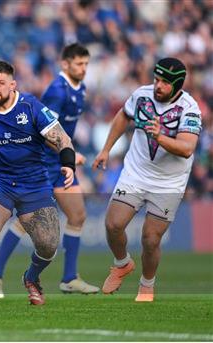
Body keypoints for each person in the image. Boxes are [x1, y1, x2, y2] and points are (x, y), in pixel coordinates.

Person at [0, 60, 76, 308]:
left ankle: (31, 277)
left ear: (12, 84)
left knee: (49, 245)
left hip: (35, 184)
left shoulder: (31, 108)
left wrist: (68, 163)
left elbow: (62, 138)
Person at [0, 43, 99, 298]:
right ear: (65, 64)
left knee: (77, 215)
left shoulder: (80, 89)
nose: (84, 69)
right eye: (79, 64)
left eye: (86, 64)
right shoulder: (57, 91)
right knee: (30, 221)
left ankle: (69, 277)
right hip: (46, 163)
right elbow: (46, 132)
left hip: (60, 163)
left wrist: (69, 153)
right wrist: (67, 153)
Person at [92, 57, 201, 302]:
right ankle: (122, 264)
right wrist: (106, 149)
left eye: (164, 82)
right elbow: (123, 116)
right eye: (156, 79)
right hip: (136, 173)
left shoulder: (190, 109)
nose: (157, 86)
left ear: (178, 85)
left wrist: (160, 137)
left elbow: (186, 148)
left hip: (169, 182)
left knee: (150, 239)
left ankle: (146, 285)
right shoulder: (142, 95)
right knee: (113, 224)